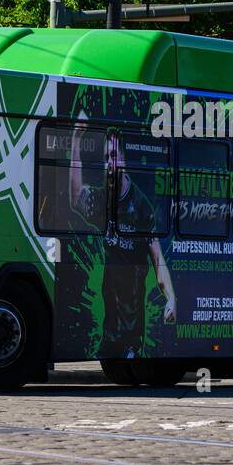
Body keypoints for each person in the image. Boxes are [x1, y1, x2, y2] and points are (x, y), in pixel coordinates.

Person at [70, 128, 176, 358]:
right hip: (110, 336)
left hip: (131, 338)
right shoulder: (102, 200)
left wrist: (171, 298)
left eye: (114, 156)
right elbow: (76, 195)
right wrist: (76, 141)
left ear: (124, 161)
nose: (110, 163)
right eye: (106, 158)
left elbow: (158, 258)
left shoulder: (141, 206)